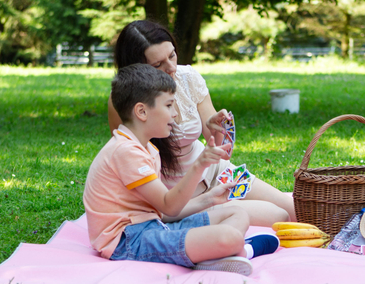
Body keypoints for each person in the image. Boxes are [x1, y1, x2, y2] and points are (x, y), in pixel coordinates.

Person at [84, 63, 280, 276]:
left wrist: (210, 199)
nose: (175, 114)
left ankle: (219, 253)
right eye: (169, 105)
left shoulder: (146, 147)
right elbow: (169, 206)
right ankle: (242, 250)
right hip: (128, 241)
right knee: (229, 237)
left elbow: (162, 213)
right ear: (141, 111)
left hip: (153, 226)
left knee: (237, 212)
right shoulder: (126, 152)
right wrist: (200, 164)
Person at [107, 20, 296, 226]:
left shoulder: (188, 77)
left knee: (293, 211)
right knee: (278, 217)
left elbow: (220, 149)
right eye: (158, 65)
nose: (171, 68)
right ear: (138, 69)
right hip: (179, 197)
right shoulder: (126, 101)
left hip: (216, 172)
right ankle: (216, 216)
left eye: (172, 55)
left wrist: (218, 128)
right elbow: (130, 161)